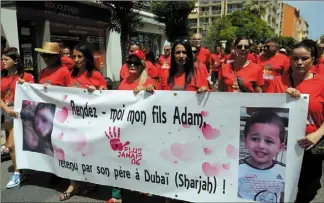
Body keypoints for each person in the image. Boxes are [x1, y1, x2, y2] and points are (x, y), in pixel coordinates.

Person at [267, 39, 324, 203]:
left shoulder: (321, 82)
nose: (299, 62)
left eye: (304, 58)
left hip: (311, 144)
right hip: (283, 144)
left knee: (310, 187)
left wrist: (317, 134)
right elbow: (265, 109)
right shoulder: (279, 82)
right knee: (282, 183)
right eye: (295, 58)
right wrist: (282, 96)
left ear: (312, 59)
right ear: (289, 59)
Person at [107, 50, 156, 203]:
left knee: (140, 158)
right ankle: (116, 195)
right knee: (119, 158)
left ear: (142, 65)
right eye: (129, 63)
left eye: (136, 63)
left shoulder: (149, 81)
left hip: (141, 129)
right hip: (123, 127)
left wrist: (148, 90)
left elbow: (158, 100)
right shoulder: (124, 81)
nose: (132, 65)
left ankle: (144, 185)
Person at [60, 43, 107, 201]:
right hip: (72, 120)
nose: (76, 59)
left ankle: (92, 180)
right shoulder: (70, 74)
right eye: (74, 56)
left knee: (89, 151)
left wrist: (97, 90)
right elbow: (63, 93)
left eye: (80, 56)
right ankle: (74, 184)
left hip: (90, 122)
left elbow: (106, 96)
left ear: (87, 58)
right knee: (71, 151)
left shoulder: (96, 75)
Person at [1, 47, 34, 188]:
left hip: (22, 113)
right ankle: (22, 169)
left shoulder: (26, 76)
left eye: (6, 59)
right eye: (2, 59)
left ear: (15, 61)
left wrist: (25, 85)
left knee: (11, 145)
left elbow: (33, 93)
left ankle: (17, 173)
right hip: (8, 113)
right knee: (15, 144)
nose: (2, 62)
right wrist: (7, 109)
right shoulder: (2, 78)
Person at [238, 109, 286, 203]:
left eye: (269, 141)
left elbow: (284, 198)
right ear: (245, 142)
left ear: (280, 147)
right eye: (255, 139)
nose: (261, 146)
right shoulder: (236, 169)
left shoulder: (284, 170)